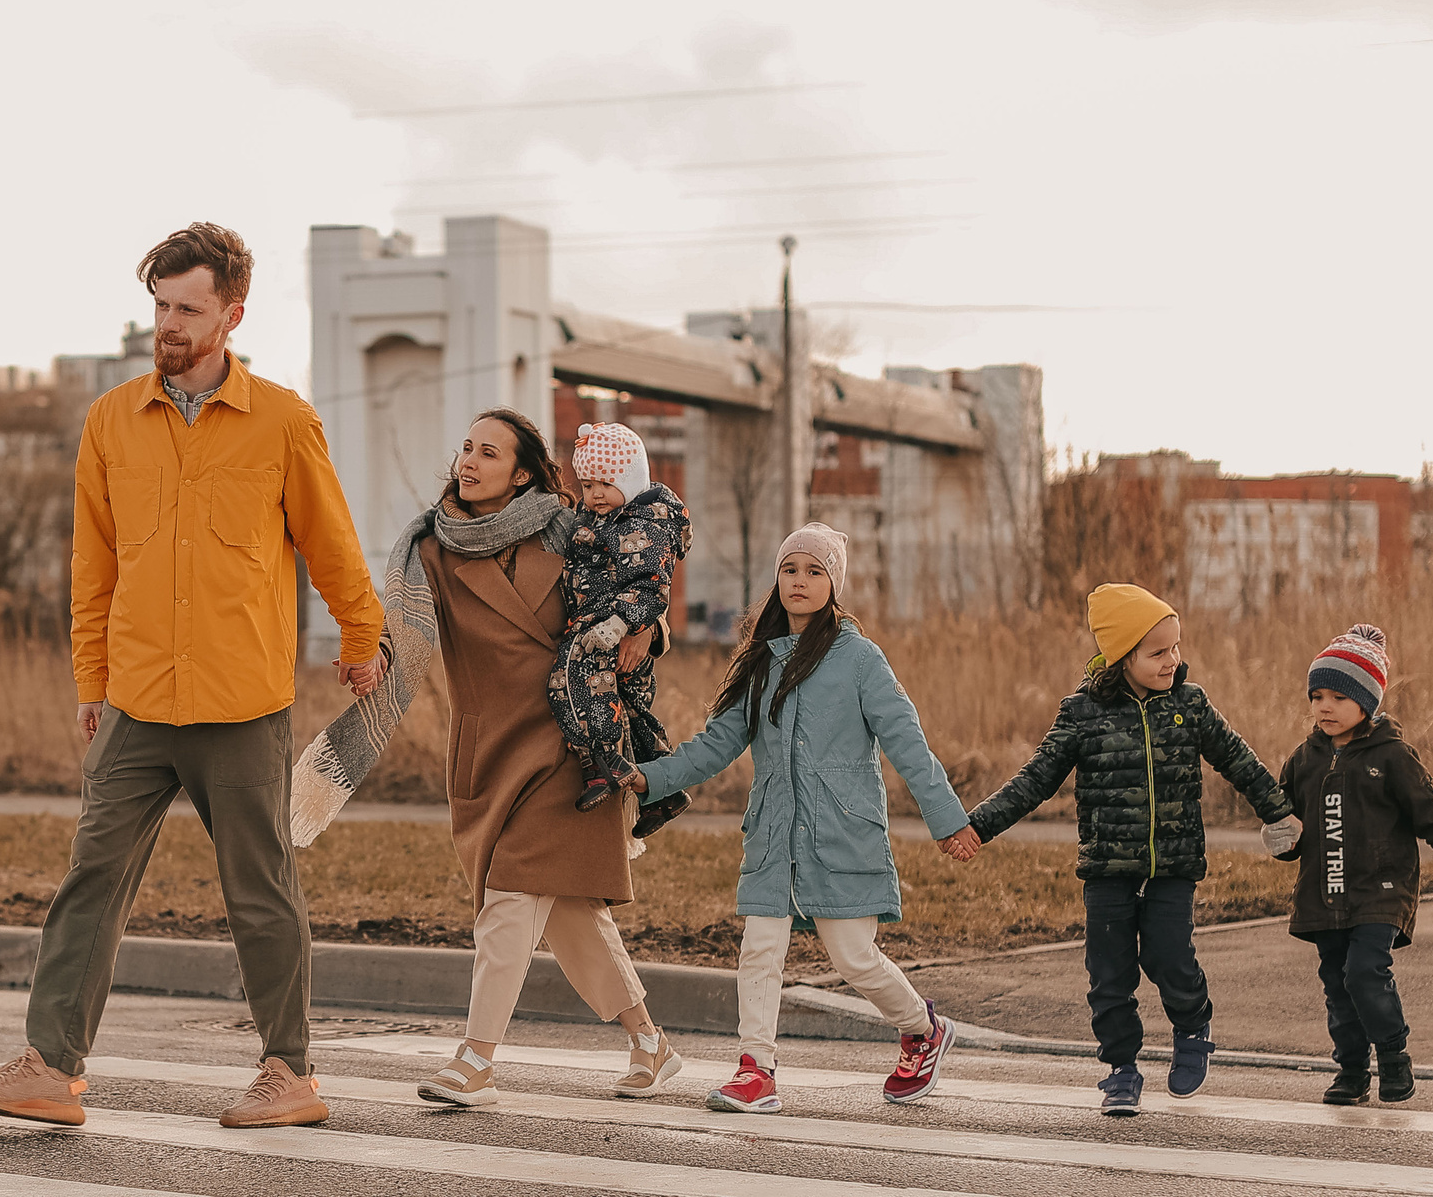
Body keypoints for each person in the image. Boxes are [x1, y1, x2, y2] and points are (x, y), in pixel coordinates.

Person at [0, 223, 386, 1131]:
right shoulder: (112, 420)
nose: (169, 325)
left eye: (188, 308)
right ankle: (49, 1066)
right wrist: (91, 679)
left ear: (231, 314)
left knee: (259, 889)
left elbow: (331, 543)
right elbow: (93, 565)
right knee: (90, 880)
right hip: (137, 701)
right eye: (160, 307)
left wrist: (361, 637)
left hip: (241, 703)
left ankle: (288, 1071)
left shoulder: (282, 420)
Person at [288, 407, 683, 1109]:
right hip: (488, 747)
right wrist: (369, 658)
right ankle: (650, 1041)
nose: (468, 461)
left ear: (523, 471)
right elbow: (402, 633)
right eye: (466, 448)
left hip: (570, 742)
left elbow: (638, 583)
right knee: (566, 911)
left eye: (488, 452)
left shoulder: (574, 530)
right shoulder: (430, 551)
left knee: (510, 895)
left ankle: (476, 1059)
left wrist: (648, 632)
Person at [625, 524, 980, 1114]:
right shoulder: (761, 661)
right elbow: (717, 744)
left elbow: (907, 743)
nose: (800, 581)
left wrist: (948, 820)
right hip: (772, 833)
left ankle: (922, 1029)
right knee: (760, 947)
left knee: (853, 956)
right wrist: (648, 776)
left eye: (815, 571)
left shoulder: (860, 659)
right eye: (790, 569)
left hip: (842, 832)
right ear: (777, 579)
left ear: (833, 584)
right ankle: (755, 1069)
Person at [960, 582, 1297, 1117]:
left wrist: (1278, 812)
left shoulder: (1190, 705)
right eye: (1158, 652)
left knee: (1169, 955)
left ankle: (1193, 1025)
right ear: (1123, 657)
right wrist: (977, 826)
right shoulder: (1082, 714)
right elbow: (1036, 780)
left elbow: (1237, 759)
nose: (1173, 660)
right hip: (1108, 868)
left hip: (1174, 864)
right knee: (1110, 971)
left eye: (1176, 647)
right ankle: (1121, 1068)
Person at [1274, 624, 1433, 1106]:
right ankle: (1351, 1070)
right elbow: (1287, 824)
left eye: (1338, 698)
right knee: (1337, 983)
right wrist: (1279, 838)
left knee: (1365, 971)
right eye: (1317, 695)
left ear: (1367, 703)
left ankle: (1393, 1058)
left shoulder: (1392, 756)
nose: (1324, 707)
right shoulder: (1304, 759)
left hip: (1380, 891)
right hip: (1323, 894)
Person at [548, 421, 692, 834]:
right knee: (628, 706)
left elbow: (652, 585)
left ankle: (604, 762)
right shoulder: (600, 515)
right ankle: (664, 792)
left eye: (604, 484)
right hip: (600, 621)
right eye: (587, 484)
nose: (593, 495)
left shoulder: (639, 524)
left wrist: (624, 624)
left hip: (607, 625)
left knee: (567, 682)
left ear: (629, 481)